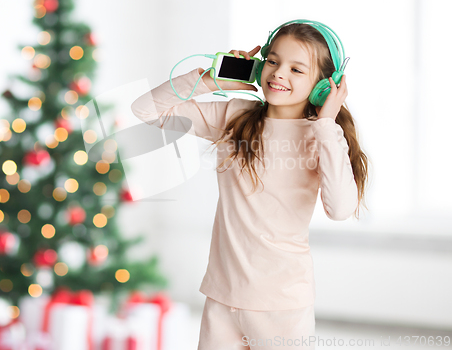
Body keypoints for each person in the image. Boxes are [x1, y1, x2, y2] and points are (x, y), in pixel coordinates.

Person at [130, 21, 370, 350]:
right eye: (272, 61)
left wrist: (327, 123)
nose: (278, 73)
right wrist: (212, 79)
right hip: (222, 296)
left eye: (297, 69)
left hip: (282, 305)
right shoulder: (234, 115)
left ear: (323, 86)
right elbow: (144, 110)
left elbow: (341, 209)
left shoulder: (321, 136)